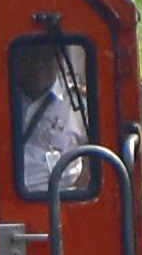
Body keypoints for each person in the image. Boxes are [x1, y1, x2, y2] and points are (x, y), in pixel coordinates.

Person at [15, 46, 90, 202]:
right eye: (30, 56)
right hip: (10, 200)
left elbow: (96, 159)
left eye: (47, 55)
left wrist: (79, 194)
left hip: (63, 199)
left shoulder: (80, 103)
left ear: (60, 59)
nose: (38, 64)